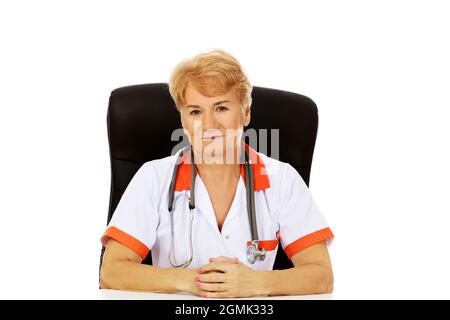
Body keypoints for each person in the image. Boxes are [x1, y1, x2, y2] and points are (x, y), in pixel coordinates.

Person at [99, 49, 334, 298]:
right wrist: (194, 280)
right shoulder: (153, 178)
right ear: (183, 120)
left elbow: (321, 275)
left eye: (221, 108)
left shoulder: (282, 179)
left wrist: (256, 283)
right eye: (195, 112)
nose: (209, 124)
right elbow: (112, 272)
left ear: (245, 112)